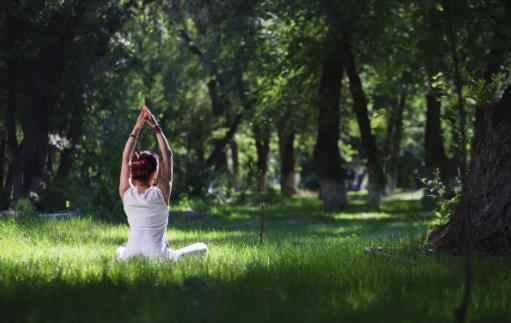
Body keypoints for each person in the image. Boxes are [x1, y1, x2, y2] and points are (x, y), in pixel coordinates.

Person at [115, 106, 207, 261]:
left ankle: (128, 255)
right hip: (160, 258)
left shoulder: (125, 192)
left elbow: (125, 158)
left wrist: (137, 128)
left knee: (120, 250)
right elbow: (168, 155)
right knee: (203, 247)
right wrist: (156, 127)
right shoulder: (161, 193)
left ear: (131, 172)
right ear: (155, 173)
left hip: (130, 256)